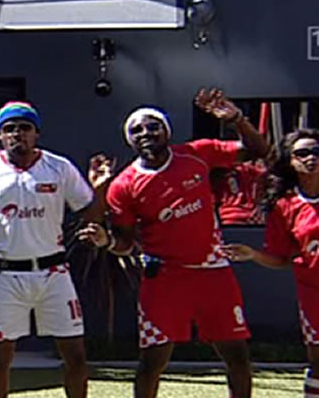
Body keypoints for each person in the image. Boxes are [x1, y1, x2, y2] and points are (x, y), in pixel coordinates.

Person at [78, 88, 269, 398]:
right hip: (164, 279)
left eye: (153, 126)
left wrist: (236, 119)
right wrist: (107, 240)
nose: (145, 133)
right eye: (137, 130)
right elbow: (126, 243)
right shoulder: (123, 185)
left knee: (237, 357)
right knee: (151, 363)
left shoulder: (196, 153)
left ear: (166, 131)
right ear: (129, 140)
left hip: (214, 272)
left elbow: (258, 150)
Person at [0, 101, 107, 398]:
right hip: (5, 276)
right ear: (0, 136)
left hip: (53, 272)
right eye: (9, 129)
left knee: (76, 355)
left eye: (25, 127)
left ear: (36, 132)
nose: (17, 134)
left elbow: (90, 214)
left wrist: (100, 187)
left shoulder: (59, 167)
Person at [223, 128, 319, 397]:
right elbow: (281, 258)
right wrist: (253, 254)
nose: (311, 158)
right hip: (313, 293)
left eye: (316, 151)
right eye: (302, 153)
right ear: (290, 161)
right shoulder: (285, 206)